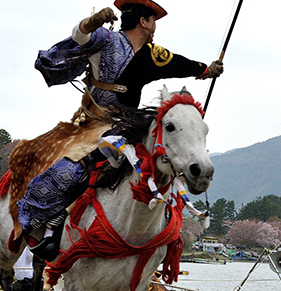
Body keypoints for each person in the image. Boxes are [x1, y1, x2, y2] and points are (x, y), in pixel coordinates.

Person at [19, 0, 223, 262]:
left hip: (128, 127)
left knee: (160, 163)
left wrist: (206, 70)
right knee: (69, 170)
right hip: (94, 123)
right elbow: (79, 36)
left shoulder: (151, 53)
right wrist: (92, 21)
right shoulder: (106, 39)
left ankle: (158, 237)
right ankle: (47, 226)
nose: (155, 27)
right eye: (153, 21)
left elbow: (178, 63)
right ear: (143, 22)